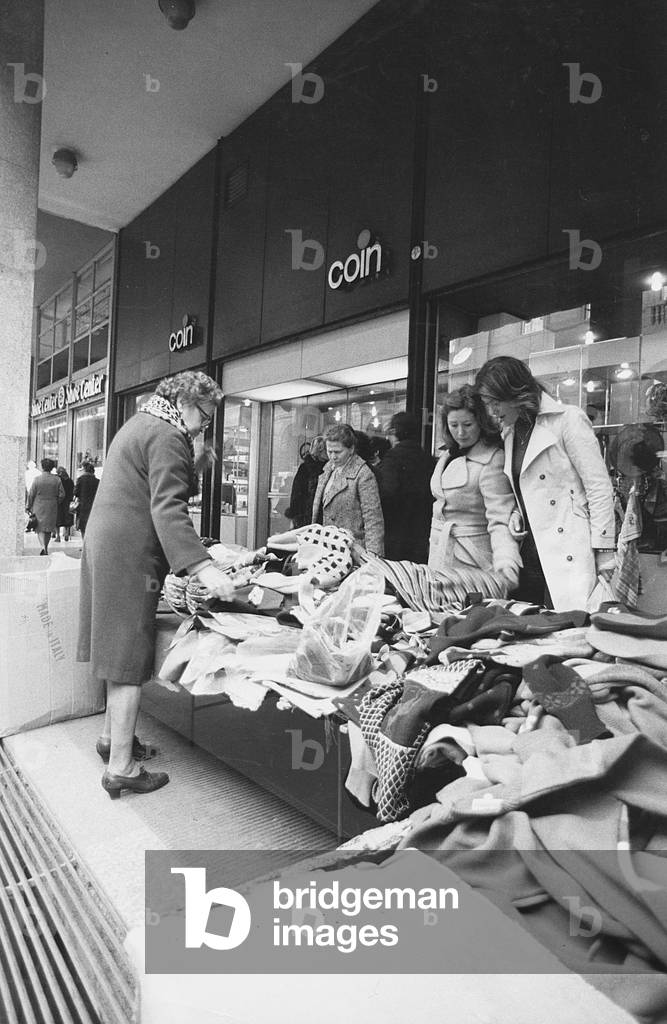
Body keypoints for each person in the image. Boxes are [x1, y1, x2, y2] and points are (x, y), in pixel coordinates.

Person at [77, 370, 234, 799]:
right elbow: (169, 508)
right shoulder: (167, 435)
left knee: (116, 648)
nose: (205, 425)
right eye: (205, 415)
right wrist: (204, 569)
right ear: (185, 402)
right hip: (129, 550)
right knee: (130, 654)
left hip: (108, 543)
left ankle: (113, 741)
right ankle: (122, 768)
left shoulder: (141, 422)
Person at [475, 355, 616, 610]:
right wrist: (518, 512)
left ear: (514, 392)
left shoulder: (567, 420)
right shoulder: (510, 433)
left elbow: (599, 486)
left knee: (572, 633)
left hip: (568, 547)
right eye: (488, 403)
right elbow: (529, 487)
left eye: (495, 401)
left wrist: (605, 549)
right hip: (530, 552)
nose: (492, 411)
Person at [428, 388, 521, 588]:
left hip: (473, 562)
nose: (460, 432)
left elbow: (500, 518)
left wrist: (507, 563)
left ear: (481, 422)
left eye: (468, 424)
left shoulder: (492, 459)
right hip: (440, 557)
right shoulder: (447, 455)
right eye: (454, 425)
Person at [311, 423, 384, 555]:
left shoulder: (363, 474)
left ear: (351, 449)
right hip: (326, 548)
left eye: (338, 452)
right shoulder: (327, 469)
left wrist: (373, 557)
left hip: (352, 551)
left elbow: (373, 519)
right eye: (329, 451)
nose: (333, 456)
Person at [375, 412, 434, 562]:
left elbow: (386, 493)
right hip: (422, 531)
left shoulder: (392, 459)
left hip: (396, 532)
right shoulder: (429, 459)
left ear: (394, 432)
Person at [285, 435, 327, 527]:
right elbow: (297, 493)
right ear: (320, 450)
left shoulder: (329, 467)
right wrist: (296, 516)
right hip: (306, 515)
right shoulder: (306, 468)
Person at [26, 458, 65, 555]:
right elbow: (62, 494)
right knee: (48, 528)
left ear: (42, 467)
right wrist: (56, 501)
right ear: (52, 468)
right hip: (52, 506)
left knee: (39, 528)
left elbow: (31, 494)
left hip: (39, 505)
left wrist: (28, 506)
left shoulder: (37, 479)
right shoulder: (57, 480)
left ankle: (43, 547)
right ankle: (46, 547)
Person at [73, 461, 100, 538]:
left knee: (83, 526)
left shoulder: (81, 479)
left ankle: (84, 543)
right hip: (94, 506)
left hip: (83, 505)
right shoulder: (97, 481)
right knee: (92, 525)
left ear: (85, 470)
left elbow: (76, 492)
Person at [54, 466, 75, 542]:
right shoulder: (70, 480)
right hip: (68, 501)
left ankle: (58, 536)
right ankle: (66, 534)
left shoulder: (58, 480)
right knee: (67, 517)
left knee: (58, 519)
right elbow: (73, 491)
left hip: (59, 501)